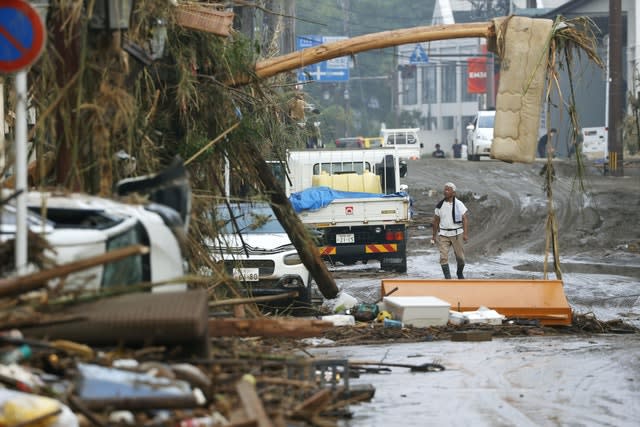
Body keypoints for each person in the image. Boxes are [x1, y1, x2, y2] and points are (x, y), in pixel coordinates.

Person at [432, 182, 469, 279]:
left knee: (461, 258)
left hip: (457, 234)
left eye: (448, 190)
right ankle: (448, 278)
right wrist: (433, 236)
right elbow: (436, 221)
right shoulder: (439, 206)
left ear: (453, 193)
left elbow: (465, 219)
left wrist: (465, 234)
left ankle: (459, 273)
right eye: (445, 189)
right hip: (443, 234)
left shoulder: (459, 204)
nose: (445, 191)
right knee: (443, 257)